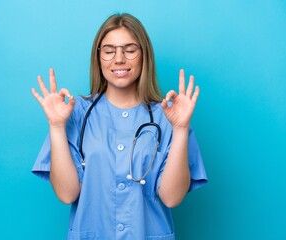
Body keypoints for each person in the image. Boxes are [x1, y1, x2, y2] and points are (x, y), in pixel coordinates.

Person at [31, 13, 207, 240]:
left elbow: (171, 198)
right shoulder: (75, 115)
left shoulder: (169, 118)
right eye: (109, 50)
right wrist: (56, 126)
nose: (119, 59)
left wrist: (181, 129)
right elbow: (67, 194)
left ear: (144, 55)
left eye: (130, 50)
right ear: (98, 58)